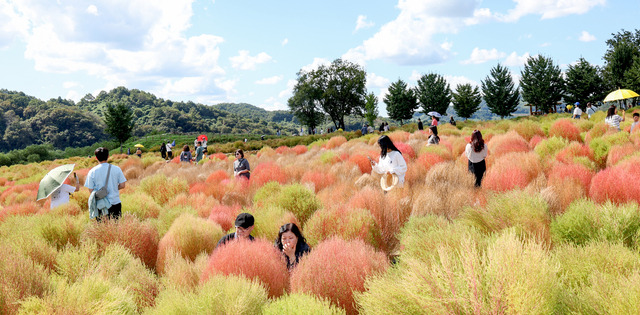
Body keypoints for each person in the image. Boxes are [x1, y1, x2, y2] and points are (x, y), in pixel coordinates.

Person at [85, 147, 127, 221]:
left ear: (96, 158)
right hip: (115, 203)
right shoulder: (116, 169)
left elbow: (90, 190)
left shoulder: (92, 171)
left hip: (100, 205)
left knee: (102, 229)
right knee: (116, 228)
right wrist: (113, 187)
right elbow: (122, 185)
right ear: (108, 156)